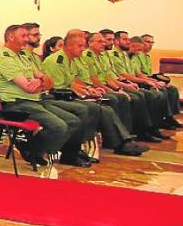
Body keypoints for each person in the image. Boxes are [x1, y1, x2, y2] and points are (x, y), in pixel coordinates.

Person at [0, 25, 85, 166]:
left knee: (73, 121)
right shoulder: (4, 58)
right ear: (11, 37)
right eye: (23, 36)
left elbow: (49, 82)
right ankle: (33, 149)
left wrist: (39, 82)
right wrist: (40, 83)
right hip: (15, 104)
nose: (26, 39)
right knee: (59, 126)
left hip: (34, 101)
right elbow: (28, 88)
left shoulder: (22, 56)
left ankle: (35, 148)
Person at [42, 29, 146, 157]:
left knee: (105, 109)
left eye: (83, 45)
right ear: (68, 46)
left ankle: (123, 141)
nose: (83, 49)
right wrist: (84, 93)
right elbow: (57, 89)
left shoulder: (72, 59)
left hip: (67, 95)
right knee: (94, 108)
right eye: (80, 46)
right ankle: (80, 149)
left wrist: (87, 90)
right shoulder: (56, 60)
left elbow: (72, 82)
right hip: (56, 98)